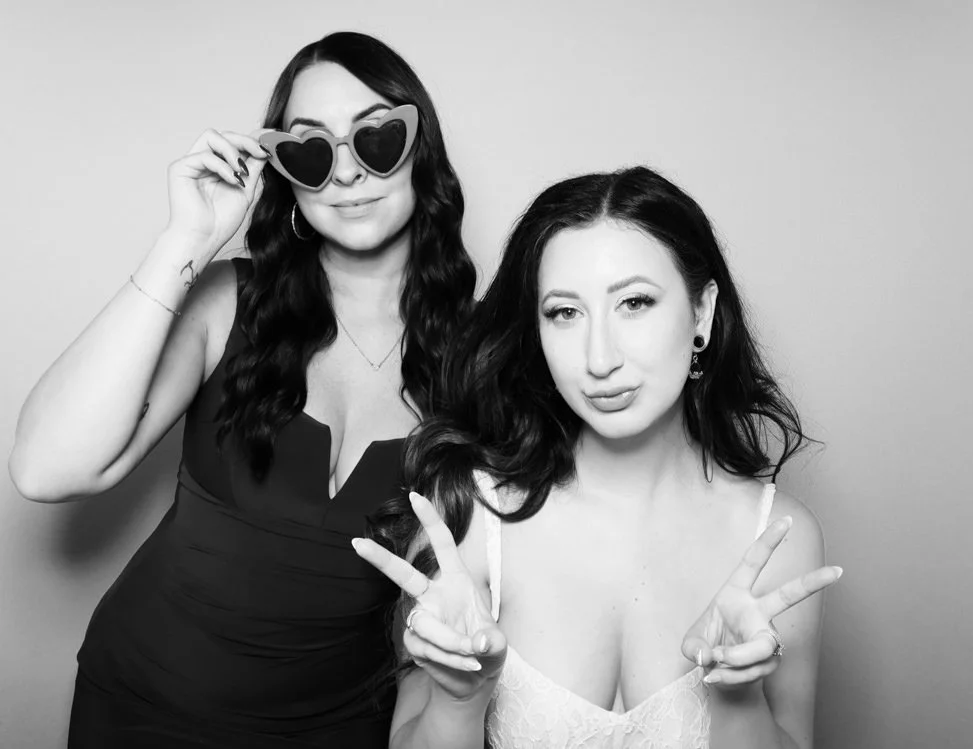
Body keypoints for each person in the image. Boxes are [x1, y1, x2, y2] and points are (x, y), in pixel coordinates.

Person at [9, 31, 476, 748]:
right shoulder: (231, 301)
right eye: (311, 150)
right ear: (283, 173)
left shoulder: (479, 360)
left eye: (377, 137)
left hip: (340, 729)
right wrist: (183, 245)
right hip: (141, 706)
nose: (347, 173)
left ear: (422, 148)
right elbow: (47, 469)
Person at [354, 166, 843, 749]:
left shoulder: (778, 540)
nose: (599, 357)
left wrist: (737, 699)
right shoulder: (472, 514)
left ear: (702, 314)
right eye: (565, 312)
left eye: (635, 303)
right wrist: (460, 700)